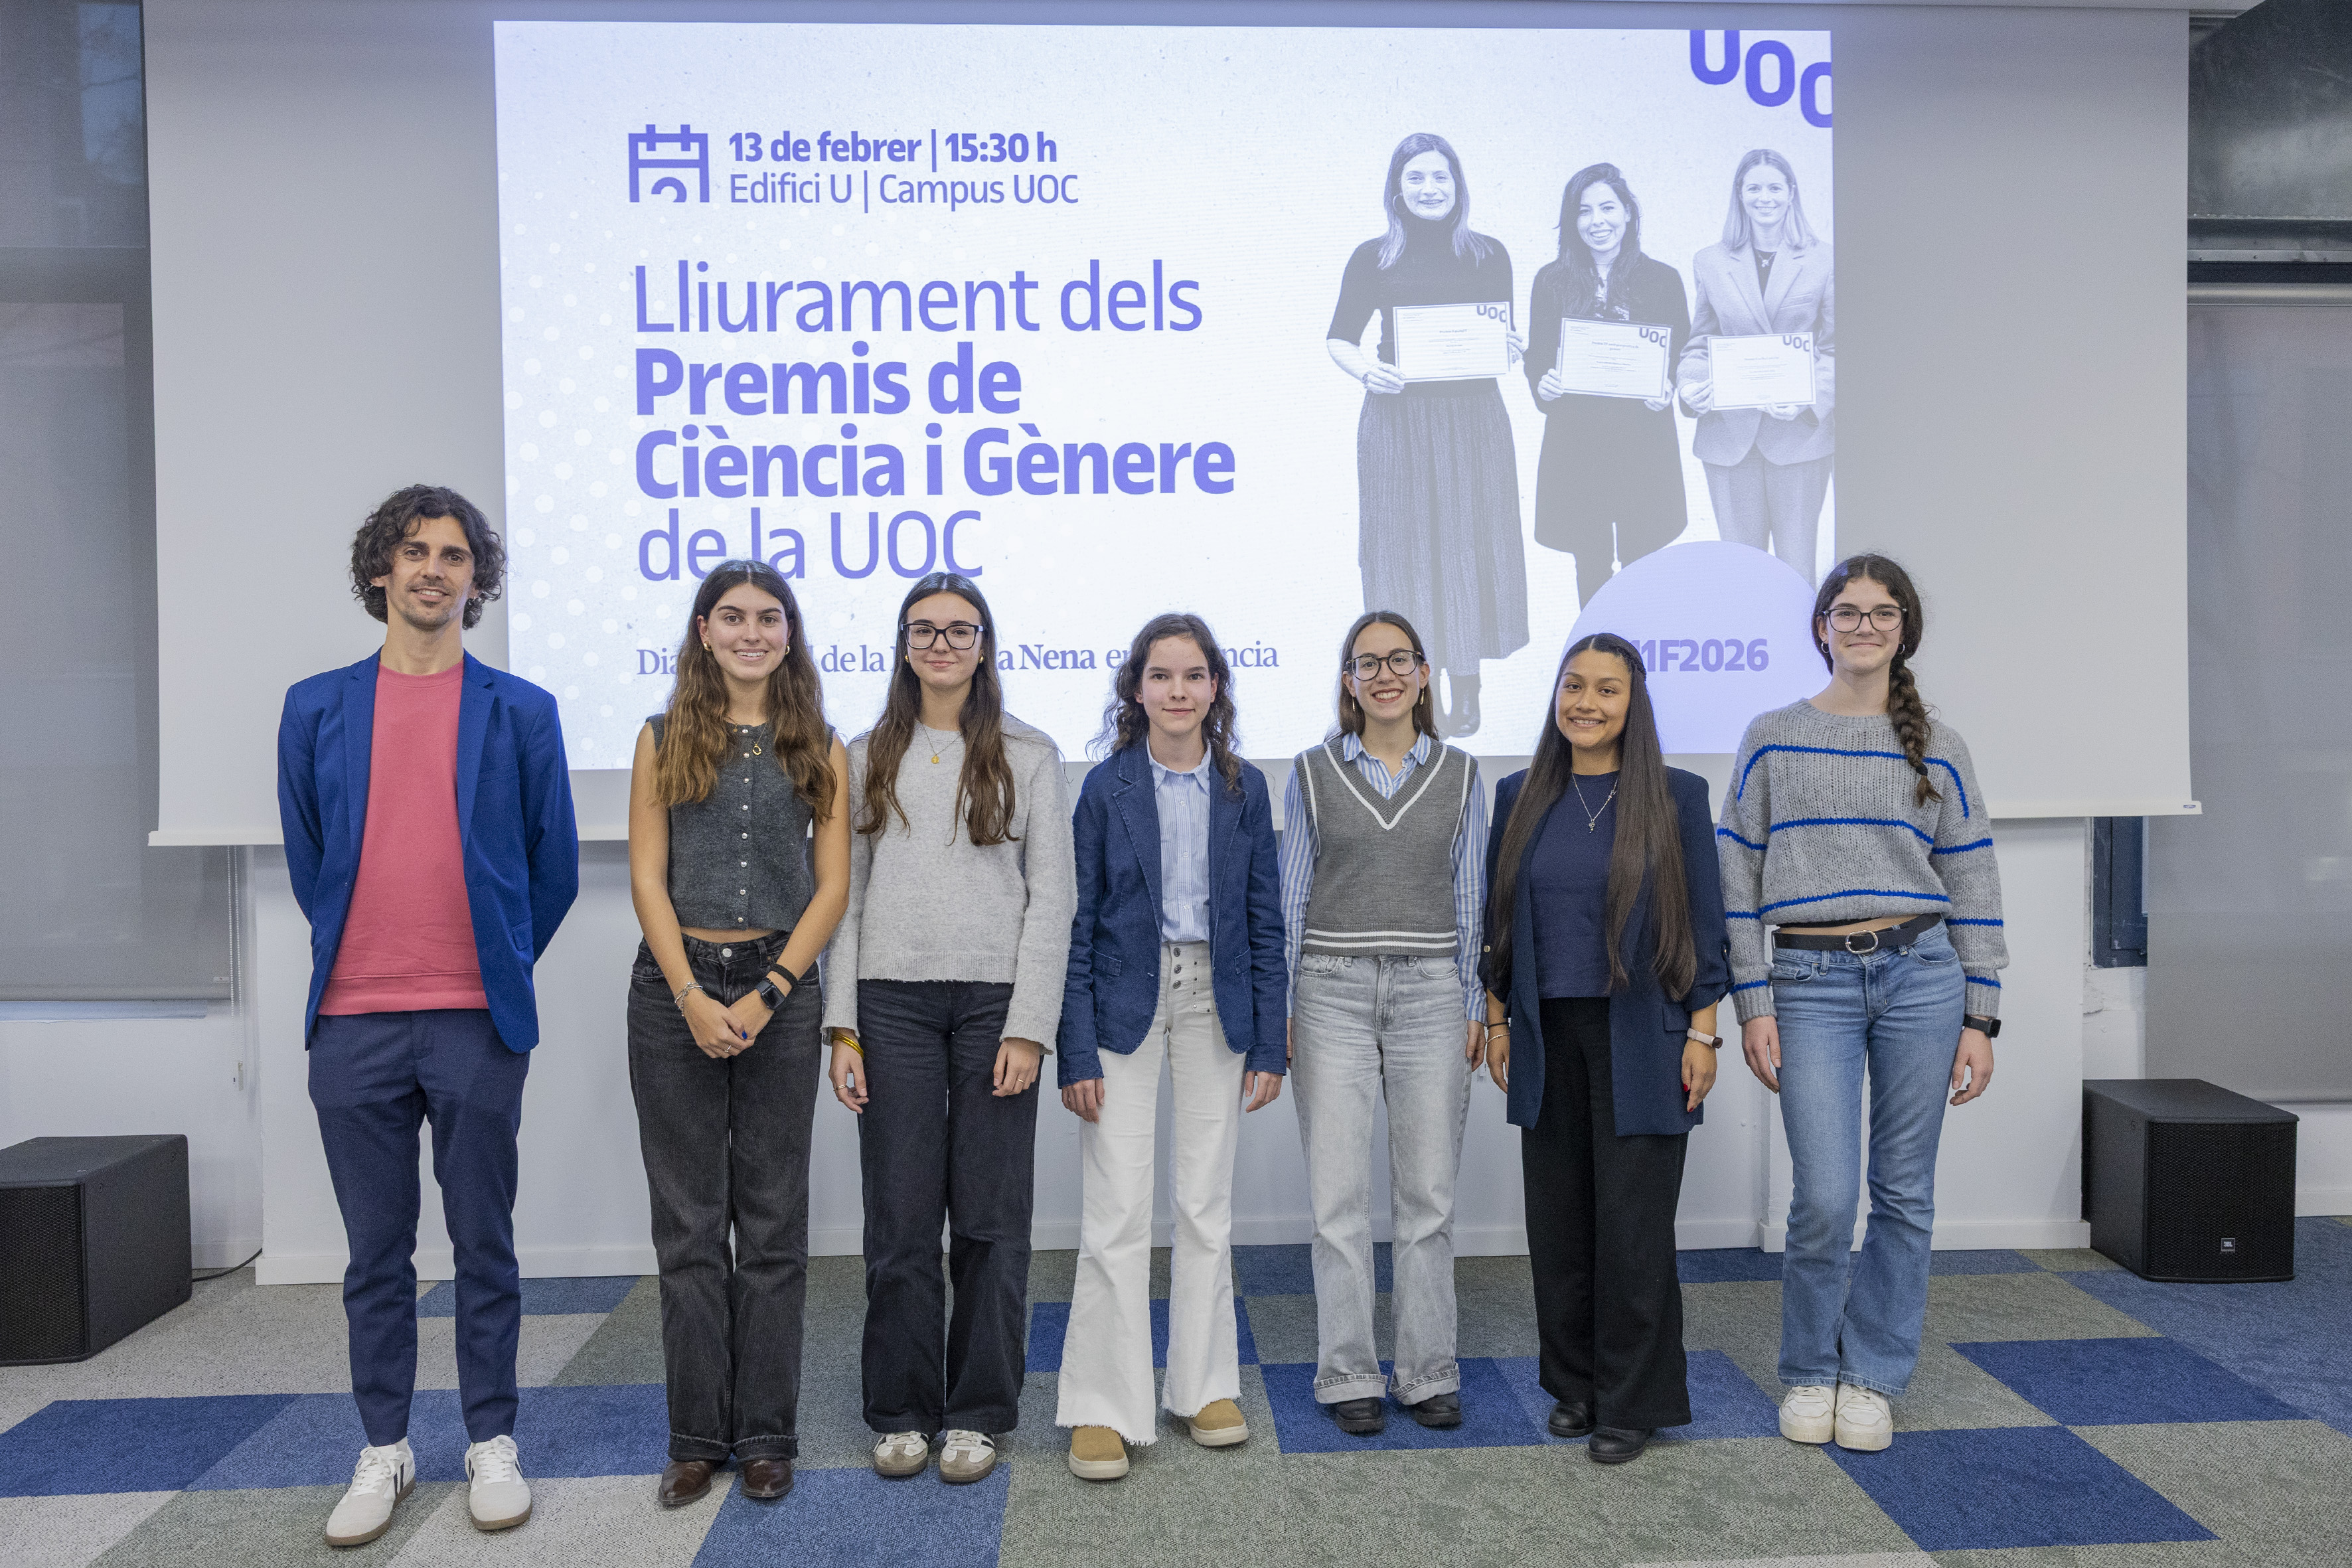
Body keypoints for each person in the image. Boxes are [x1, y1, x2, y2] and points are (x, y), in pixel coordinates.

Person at [277, 485, 578, 1547]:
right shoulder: (314, 706)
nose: (433, 570)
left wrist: (489, 964)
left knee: (482, 1242)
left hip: (475, 1020)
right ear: (379, 571)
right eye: (414, 552)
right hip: (353, 1019)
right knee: (376, 1253)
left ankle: (490, 1439)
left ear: (476, 582)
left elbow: (551, 871)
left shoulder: (522, 709)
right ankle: (385, 1445)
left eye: (455, 556)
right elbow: (315, 859)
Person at [1718, 554, 2005, 1453]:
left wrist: (1980, 1011)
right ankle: (1808, 1368)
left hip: (1922, 974)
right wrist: (1750, 996)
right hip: (1807, 982)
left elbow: (1971, 874)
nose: (1862, 626)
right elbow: (1735, 867)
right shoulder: (1770, 733)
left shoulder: (1940, 744)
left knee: (1902, 1191)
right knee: (1824, 1194)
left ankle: (1872, 1375)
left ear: (1902, 631)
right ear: (1819, 626)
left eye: (1881, 614)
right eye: (1846, 612)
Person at [821, 570, 1075, 1486]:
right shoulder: (861, 753)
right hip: (888, 1001)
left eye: (958, 630)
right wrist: (839, 1026)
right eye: (923, 630)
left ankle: (976, 1410)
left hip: (992, 1008)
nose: (940, 644)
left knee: (990, 1220)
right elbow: (839, 898)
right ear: (901, 644)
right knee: (897, 1218)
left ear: (983, 644)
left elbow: (1053, 900)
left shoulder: (1031, 754)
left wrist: (1028, 1026)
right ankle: (898, 1408)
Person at [623, 560, 850, 1508]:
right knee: (686, 1227)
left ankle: (764, 1434)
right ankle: (694, 1438)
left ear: (789, 634)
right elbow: (646, 875)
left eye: (769, 617)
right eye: (733, 617)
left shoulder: (822, 744)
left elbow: (831, 885)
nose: (751, 631)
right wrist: (689, 992)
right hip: (674, 991)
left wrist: (768, 991)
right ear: (703, 631)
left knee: (770, 1225)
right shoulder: (660, 735)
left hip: (780, 992)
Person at [1481, 633, 1729, 1464]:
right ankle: (1576, 1385)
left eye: (1608, 690)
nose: (1586, 702)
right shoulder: (1519, 794)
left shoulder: (1678, 797)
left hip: (1646, 1036)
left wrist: (1704, 1030)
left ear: (1635, 702)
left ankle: (1635, 1399)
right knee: (1559, 1224)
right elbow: (1498, 925)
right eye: (1573, 686)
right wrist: (1497, 1021)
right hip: (1547, 1036)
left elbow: (1703, 923)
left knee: (1632, 1227)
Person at [1056, 614, 1288, 1481]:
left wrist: (1270, 1037)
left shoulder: (1244, 789)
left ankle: (1201, 1387)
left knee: (1203, 1204)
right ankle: (1100, 1406)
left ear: (1215, 688)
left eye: (1193, 676)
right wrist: (1074, 1051)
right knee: (1115, 1211)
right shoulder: (1103, 788)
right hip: (1122, 1002)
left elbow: (1263, 919)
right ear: (1137, 689)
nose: (1178, 691)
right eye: (1161, 676)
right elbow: (1074, 925)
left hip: (1212, 1005)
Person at [1282, 610, 1487, 1435]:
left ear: (1426, 674)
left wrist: (1474, 1001)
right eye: (1368, 662)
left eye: (1400, 659)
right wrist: (1287, 1008)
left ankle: (1428, 1369)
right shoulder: (1309, 772)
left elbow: (1471, 900)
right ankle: (1349, 1374)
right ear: (1348, 680)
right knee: (1337, 1199)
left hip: (1434, 989)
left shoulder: (1465, 775)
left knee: (1427, 1195)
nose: (1386, 673)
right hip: (1328, 986)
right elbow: (1294, 896)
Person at [1325, 131, 1529, 738]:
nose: (1429, 188)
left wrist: (1513, 345)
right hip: (1397, 424)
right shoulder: (1373, 258)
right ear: (1396, 190)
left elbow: (1503, 337)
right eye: (1415, 178)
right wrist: (1367, 369)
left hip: (1473, 423)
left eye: (1440, 177)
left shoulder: (1489, 254)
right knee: (1404, 555)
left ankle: (1467, 686)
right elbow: (1339, 337)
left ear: (1457, 186)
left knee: (1470, 550)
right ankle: (1418, 691)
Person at [1524, 164, 1693, 605]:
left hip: (1642, 440)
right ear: (1572, 221)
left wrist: (1668, 387)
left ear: (1627, 213)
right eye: (1584, 211)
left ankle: (1639, 661)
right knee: (1591, 561)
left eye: (1607, 208)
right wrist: (1544, 385)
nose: (1597, 221)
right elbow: (1537, 357)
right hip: (1577, 442)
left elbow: (1681, 354)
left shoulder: (1662, 278)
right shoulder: (1551, 280)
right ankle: (1597, 659)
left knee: (1642, 557)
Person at [1676, 149, 1836, 582]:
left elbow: (1836, 350)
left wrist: (1807, 402)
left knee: (1794, 573)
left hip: (1799, 438)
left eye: (1773, 188)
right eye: (1754, 188)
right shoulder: (1709, 261)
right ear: (1740, 195)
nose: (1764, 197)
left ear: (1790, 194)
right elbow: (1697, 347)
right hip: (1729, 439)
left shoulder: (1824, 260)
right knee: (1740, 574)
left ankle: (1798, 652)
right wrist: (1689, 387)